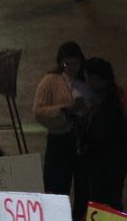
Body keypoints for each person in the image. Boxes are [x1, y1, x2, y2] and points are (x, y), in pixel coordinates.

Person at [70, 56, 127, 212]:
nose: (86, 82)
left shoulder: (106, 104)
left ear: (97, 79)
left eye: (88, 77)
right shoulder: (109, 97)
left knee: (105, 203)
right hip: (110, 161)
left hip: (105, 163)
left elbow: (99, 135)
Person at [33, 41, 88, 201]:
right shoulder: (50, 80)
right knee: (56, 189)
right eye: (67, 64)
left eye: (76, 64)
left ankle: (81, 220)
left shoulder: (86, 79)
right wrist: (64, 110)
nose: (72, 68)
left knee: (84, 189)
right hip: (59, 140)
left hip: (82, 139)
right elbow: (38, 111)